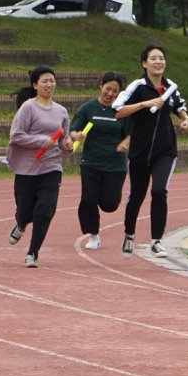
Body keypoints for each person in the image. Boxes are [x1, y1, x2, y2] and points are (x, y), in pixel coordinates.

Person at [112, 43, 188, 258]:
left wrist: (185, 119)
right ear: (144, 63)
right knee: (137, 195)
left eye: (161, 58)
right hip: (139, 151)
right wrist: (144, 104)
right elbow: (117, 111)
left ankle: (157, 241)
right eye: (154, 58)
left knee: (159, 191)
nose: (158, 62)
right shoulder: (137, 86)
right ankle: (129, 234)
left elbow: (179, 106)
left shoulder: (171, 87)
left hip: (165, 150)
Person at [6, 64, 70, 267]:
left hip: (51, 167)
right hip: (27, 168)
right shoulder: (28, 107)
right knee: (25, 211)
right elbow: (16, 135)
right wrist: (43, 141)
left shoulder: (61, 111)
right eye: (45, 81)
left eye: (52, 80)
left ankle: (32, 252)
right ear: (35, 85)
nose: (49, 84)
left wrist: (67, 144)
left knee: (45, 210)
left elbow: (63, 140)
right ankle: (21, 223)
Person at [69, 70, 130, 250]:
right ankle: (93, 234)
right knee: (88, 199)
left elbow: (132, 133)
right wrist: (76, 136)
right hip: (91, 162)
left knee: (109, 204)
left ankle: (106, 207)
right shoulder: (88, 108)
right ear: (100, 85)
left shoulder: (121, 111)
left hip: (115, 164)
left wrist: (125, 143)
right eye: (108, 88)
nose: (110, 93)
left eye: (115, 91)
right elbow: (73, 130)